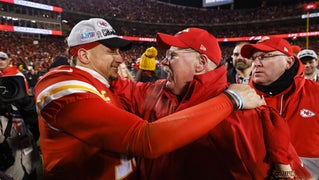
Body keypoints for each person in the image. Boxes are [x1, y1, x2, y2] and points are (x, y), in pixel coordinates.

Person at [33, 18, 265, 180]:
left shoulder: (108, 84)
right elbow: (144, 139)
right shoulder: (62, 85)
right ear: (83, 55)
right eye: (111, 51)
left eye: (119, 51)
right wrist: (230, 99)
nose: (119, 59)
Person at [111, 28, 310, 179]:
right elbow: (115, 86)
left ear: (201, 63)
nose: (163, 62)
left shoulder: (244, 116)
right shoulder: (156, 91)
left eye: (173, 55)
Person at [240, 36, 319, 179]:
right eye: (254, 58)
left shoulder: (317, 93)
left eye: (265, 56)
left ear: (289, 62)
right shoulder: (241, 99)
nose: (256, 64)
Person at [0, 52, 40, 179]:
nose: (0, 61)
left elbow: (22, 100)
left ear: (9, 60)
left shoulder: (17, 75)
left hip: (17, 117)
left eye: (3, 59)